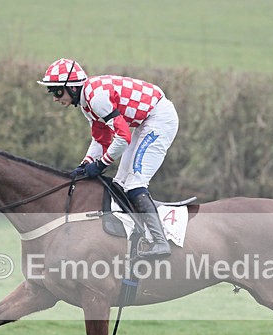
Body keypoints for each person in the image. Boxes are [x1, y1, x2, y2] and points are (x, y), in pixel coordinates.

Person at [37, 58, 179, 257]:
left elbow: (123, 137)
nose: (54, 97)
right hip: (143, 122)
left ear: (73, 87)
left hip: (159, 119)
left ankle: (160, 242)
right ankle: (133, 237)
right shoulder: (87, 103)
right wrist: (85, 163)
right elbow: (101, 139)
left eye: (57, 91)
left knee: (135, 184)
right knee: (119, 184)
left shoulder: (97, 99)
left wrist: (102, 164)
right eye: (51, 92)